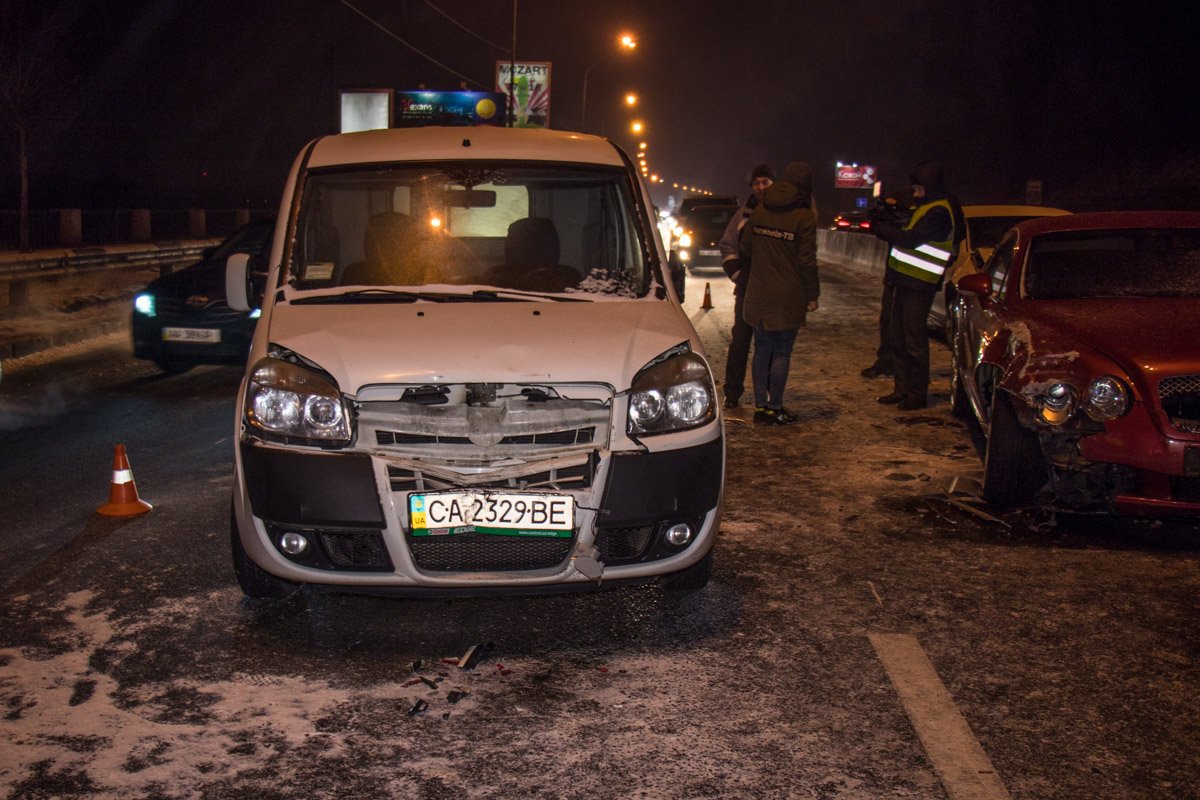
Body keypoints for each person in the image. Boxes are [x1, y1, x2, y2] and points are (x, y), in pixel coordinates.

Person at [871, 161, 958, 410]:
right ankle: (902, 389)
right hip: (905, 282)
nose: (914, 192)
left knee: (914, 341)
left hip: (920, 286)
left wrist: (883, 230)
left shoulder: (938, 212)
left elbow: (911, 239)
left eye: (917, 188)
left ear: (928, 187)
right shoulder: (926, 208)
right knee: (897, 337)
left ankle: (917, 394)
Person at [740, 161, 819, 425]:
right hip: (788, 295)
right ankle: (776, 406)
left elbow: (746, 247)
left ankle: (760, 407)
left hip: (758, 293)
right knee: (782, 351)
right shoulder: (804, 217)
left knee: (761, 350)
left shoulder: (761, 209)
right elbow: (807, 261)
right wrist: (812, 294)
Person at [718, 163, 773, 408]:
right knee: (740, 340)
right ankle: (732, 393)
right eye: (756, 183)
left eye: (765, 182)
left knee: (769, 343)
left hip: (772, 291)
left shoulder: (781, 214)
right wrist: (738, 274)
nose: (760, 187)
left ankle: (767, 394)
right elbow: (728, 245)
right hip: (747, 289)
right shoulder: (743, 215)